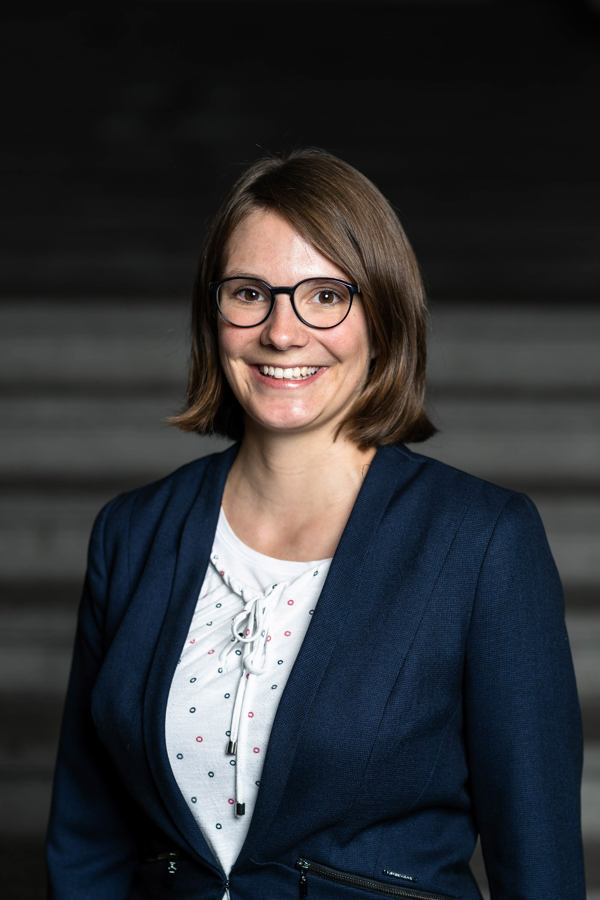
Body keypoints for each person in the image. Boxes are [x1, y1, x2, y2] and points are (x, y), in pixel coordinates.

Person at [46, 148, 586, 899]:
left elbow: (540, 863)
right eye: (249, 293)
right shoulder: (132, 533)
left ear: (383, 316)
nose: (282, 332)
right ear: (213, 314)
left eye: (325, 295)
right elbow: (85, 841)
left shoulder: (481, 540)